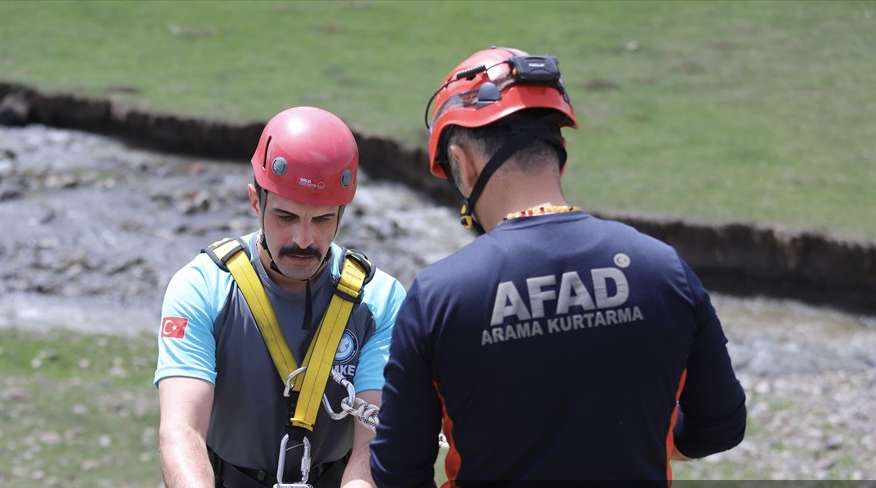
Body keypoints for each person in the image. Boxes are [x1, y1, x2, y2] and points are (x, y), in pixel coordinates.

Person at [370, 46, 747, 485]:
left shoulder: (440, 296)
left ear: (462, 163)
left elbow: (398, 472)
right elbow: (720, 425)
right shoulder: (664, 269)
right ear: (559, 147)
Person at [155, 106, 406, 488]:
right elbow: (181, 430)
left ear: (342, 213)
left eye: (322, 220)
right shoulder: (202, 287)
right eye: (286, 217)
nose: (303, 240)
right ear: (256, 202)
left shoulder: (378, 299)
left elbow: (373, 444)